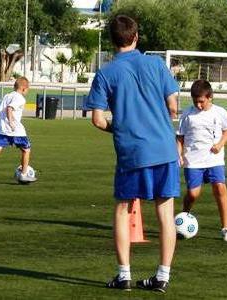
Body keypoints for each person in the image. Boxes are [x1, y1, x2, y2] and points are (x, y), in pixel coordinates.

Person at [86, 15, 180, 293]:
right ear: (136, 36)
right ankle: (162, 276)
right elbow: (173, 107)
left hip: (131, 152)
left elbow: (98, 119)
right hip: (163, 149)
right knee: (165, 213)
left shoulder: (106, 73)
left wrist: (121, 127)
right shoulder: (156, 64)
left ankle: (124, 274)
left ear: (112, 41)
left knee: (122, 211)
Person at [176, 79, 227, 242]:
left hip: (214, 159)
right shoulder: (187, 115)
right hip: (193, 161)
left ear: (210, 97)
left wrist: (220, 144)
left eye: (201, 101)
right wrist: (179, 154)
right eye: (195, 102)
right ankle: (183, 217)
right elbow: (180, 137)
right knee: (193, 194)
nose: (198, 105)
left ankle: (226, 228)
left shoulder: (220, 112)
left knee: (220, 188)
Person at [0, 77, 36, 184]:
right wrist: (11, 122)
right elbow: (10, 108)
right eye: (28, 89)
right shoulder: (20, 98)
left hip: (1, 129)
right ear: (23, 89)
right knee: (26, 149)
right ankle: (23, 174)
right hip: (15, 130)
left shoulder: (6, 96)